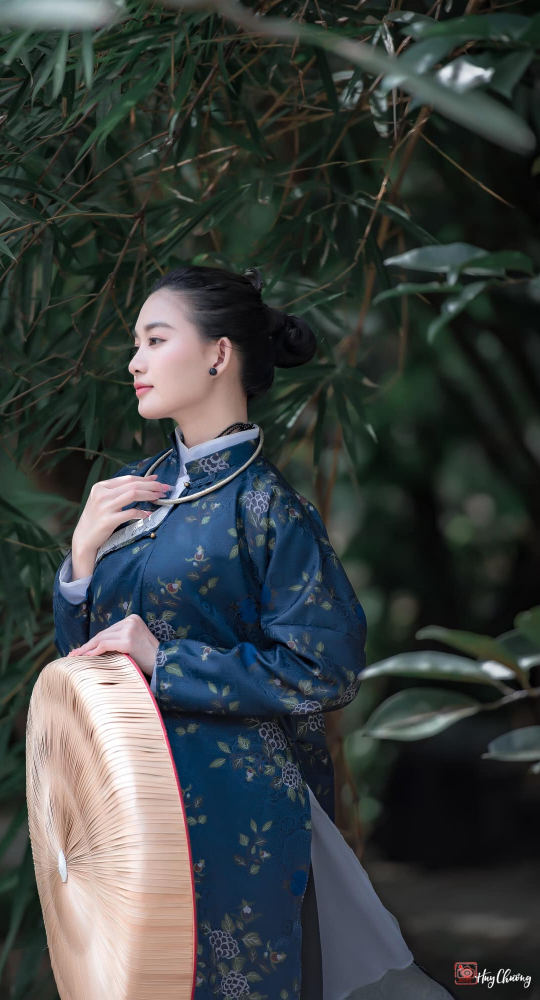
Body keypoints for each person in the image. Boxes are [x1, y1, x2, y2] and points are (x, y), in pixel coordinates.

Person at [51, 265, 455, 1000]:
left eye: (155, 340)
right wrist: (79, 565)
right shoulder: (129, 494)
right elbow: (82, 670)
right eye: (136, 344)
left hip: (238, 814)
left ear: (218, 354)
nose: (134, 361)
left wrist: (167, 661)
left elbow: (326, 668)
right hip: (127, 805)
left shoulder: (268, 508)